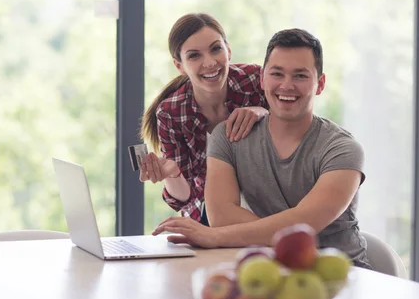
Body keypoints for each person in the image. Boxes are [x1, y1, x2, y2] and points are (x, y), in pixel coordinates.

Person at [152, 28, 371, 268]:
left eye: (300, 76)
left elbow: (305, 222)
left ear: (320, 84)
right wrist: (262, 231)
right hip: (270, 271)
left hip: (343, 275)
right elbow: (222, 216)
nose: (287, 86)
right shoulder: (227, 138)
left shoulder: (343, 149)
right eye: (277, 74)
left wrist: (214, 236)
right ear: (263, 78)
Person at [139, 13, 269, 226]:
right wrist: (172, 174)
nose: (209, 63)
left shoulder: (254, 81)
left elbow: (292, 127)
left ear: (228, 50)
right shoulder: (170, 112)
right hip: (210, 221)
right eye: (194, 56)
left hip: (266, 208)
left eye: (216, 49)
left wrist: (262, 112)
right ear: (179, 65)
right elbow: (185, 199)